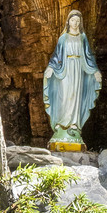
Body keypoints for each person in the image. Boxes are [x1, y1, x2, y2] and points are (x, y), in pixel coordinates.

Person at [43, 8, 101, 148]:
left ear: (80, 23)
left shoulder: (82, 37)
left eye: (78, 21)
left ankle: (74, 124)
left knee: (76, 96)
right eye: (73, 20)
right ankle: (61, 124)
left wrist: (94, 71)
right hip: (65, 69)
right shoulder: (63, 38)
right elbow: (57, 56)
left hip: (79, 70)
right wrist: (51, 68)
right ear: (68, 21)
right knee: (64, 96)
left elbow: (88, 56)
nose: (75, 23)